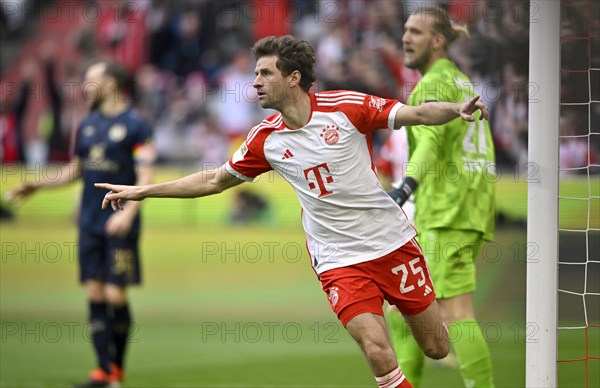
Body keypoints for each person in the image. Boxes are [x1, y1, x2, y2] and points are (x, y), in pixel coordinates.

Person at [96, 35, 489, 388]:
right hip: (338, 259)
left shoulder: (347, 108)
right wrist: (143, 191)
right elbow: (214, 180)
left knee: (436, 347)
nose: (255, 82)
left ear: (294, 78)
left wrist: (456, 109)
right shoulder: (265, 139)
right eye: (255, 74)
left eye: (266, 73)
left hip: (392, 243)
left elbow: (416, 114)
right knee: (376, 350)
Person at [11, 61, 155, 388]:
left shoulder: (137, 126)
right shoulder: (87, 124)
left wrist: (129, 212)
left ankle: (115, 370)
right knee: (94, 291)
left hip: (120, 221)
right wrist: (37, 185)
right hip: (89, 222)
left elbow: (145, 173)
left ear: (112, 84)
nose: (85, 85)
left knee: (115, 294)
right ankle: (104, 373)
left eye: (91, 79)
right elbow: (76, 169)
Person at [386, 6, 496, 387]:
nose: (405, 38)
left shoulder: (432, 84)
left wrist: (404, 188)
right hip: (466, 206)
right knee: (410, 306)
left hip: (447, 209)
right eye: (405, 30)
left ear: (437, 40)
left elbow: (429, 144)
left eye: (415, 31)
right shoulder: (461, 82)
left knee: (456, 310)